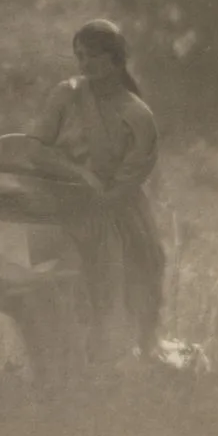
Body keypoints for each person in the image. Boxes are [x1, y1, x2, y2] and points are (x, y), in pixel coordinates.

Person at [29, 19, 165, 362]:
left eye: (92, 56)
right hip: (63, 202)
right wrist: (75, 175)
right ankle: (64, 363)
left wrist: (102, 200)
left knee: (141, 269)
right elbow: (37, 148)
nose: (83, 64)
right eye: (79, 56)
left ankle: (125, 357)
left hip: (115, 207)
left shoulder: (137, 114)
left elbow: (132, 176)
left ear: (116, 60)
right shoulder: (66, 94)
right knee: (62, 281)